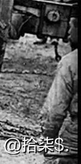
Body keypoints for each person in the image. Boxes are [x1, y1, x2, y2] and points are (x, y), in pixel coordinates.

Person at [39, 16, 77, 164]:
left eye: (72, 26)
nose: (68, 32)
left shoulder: (70, 62)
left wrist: (48, 139)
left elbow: (54, 111)